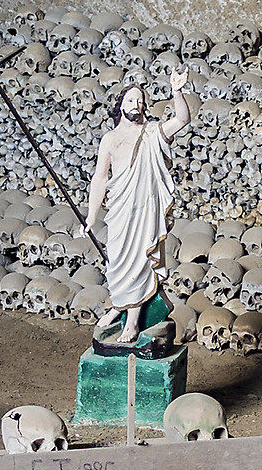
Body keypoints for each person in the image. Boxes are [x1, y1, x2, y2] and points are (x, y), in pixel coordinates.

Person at [83, 63, 199, 349]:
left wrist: (177, 90)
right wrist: (91, 215)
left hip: (145, 209)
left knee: (140, 259)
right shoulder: (110, 139)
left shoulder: (152, 132)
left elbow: (182, 118)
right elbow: (100, 178)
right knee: (118, 260)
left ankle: (133, 319)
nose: (138, 104)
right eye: (131, 99)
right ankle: (119, 303)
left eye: (141, 100)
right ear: (120, 105)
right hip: (121, 209)